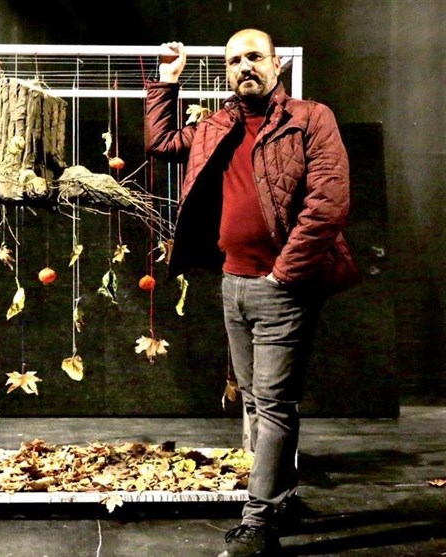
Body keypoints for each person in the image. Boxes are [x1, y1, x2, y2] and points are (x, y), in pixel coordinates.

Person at [144, 29, 360, 557]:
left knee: (274, 403)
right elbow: (161, 144)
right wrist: (166, 83)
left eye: (255, 57)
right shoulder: (218, 125)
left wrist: (283, 275)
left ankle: (259, 522)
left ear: (276, 63)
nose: (245, 67)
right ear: (226, 71)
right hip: (234, 285)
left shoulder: (310, 118)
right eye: (235, 60)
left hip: (282, 288)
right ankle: (279, 498)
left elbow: (328, 204)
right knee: (260, 404)